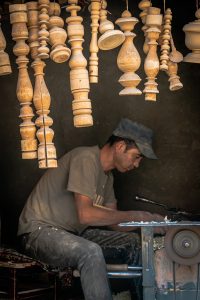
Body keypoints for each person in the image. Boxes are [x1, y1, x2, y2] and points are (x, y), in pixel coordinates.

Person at [18, 118, 164, 300]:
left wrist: (149, 222)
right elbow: (86, 215)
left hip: (72, 234)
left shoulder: (108, 177)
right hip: (39, 233)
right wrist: (137, 214)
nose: (136, 165)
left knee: (134, 242)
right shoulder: (85, 158)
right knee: (90, 251)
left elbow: (115, 224)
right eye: (136, 157)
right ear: (120, 146)